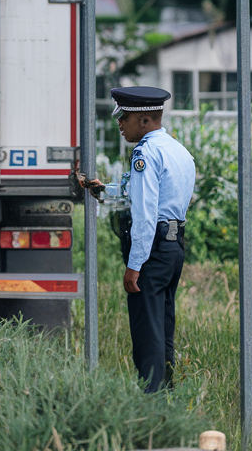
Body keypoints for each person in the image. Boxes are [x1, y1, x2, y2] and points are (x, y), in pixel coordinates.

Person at [81, 86, 195, 393]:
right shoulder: (177, 150)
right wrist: (103, 189)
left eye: (125, 118)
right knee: (163, 326)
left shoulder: (145, 153)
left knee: (147, 332)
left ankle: (151, 399)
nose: (120, 125)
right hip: (173, 247)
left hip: (153, 249)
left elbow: (145, 214)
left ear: (144, 121)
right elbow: (151, 196)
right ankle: (167, 393)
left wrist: (135, 265)